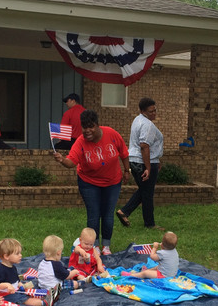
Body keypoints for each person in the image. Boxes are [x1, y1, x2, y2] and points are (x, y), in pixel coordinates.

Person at [53, 110, 130, 255]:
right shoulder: (81, 142)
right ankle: (93, 246)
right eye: (84, 127)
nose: (87, 130)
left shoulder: (112, 134)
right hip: (89, 183)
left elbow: (124, 153)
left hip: (112, 182)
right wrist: (62, 159)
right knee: (94, 214)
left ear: (97, 125)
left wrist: (127, 171)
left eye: (91, 126)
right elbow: (71, 162)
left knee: (107, 214)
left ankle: (106, 246)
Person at [116, 97, 164, 230]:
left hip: (136, 160)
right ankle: (149, 224)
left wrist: (156, 161)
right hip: (143, 162)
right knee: (147, 193)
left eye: (155, 110)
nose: (154, 113)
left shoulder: (138, 120)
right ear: (143, 111)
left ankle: (124, 212)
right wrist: (148, 167)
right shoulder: (147, 124)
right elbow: (144, 146)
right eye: (151, 111)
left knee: (145, 190)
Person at [0, 238, 54, 306]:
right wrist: (6, 285)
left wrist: (20, 285)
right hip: (5, 295)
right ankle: (44, 303)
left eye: (20, 253)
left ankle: (45, 295)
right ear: (6, 256)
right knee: (23, 299)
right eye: (17, 254)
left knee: (27, 292)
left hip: (15, 290)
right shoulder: (0, 271)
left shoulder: (13, 267)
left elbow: (16, 280)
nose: (20, 255)